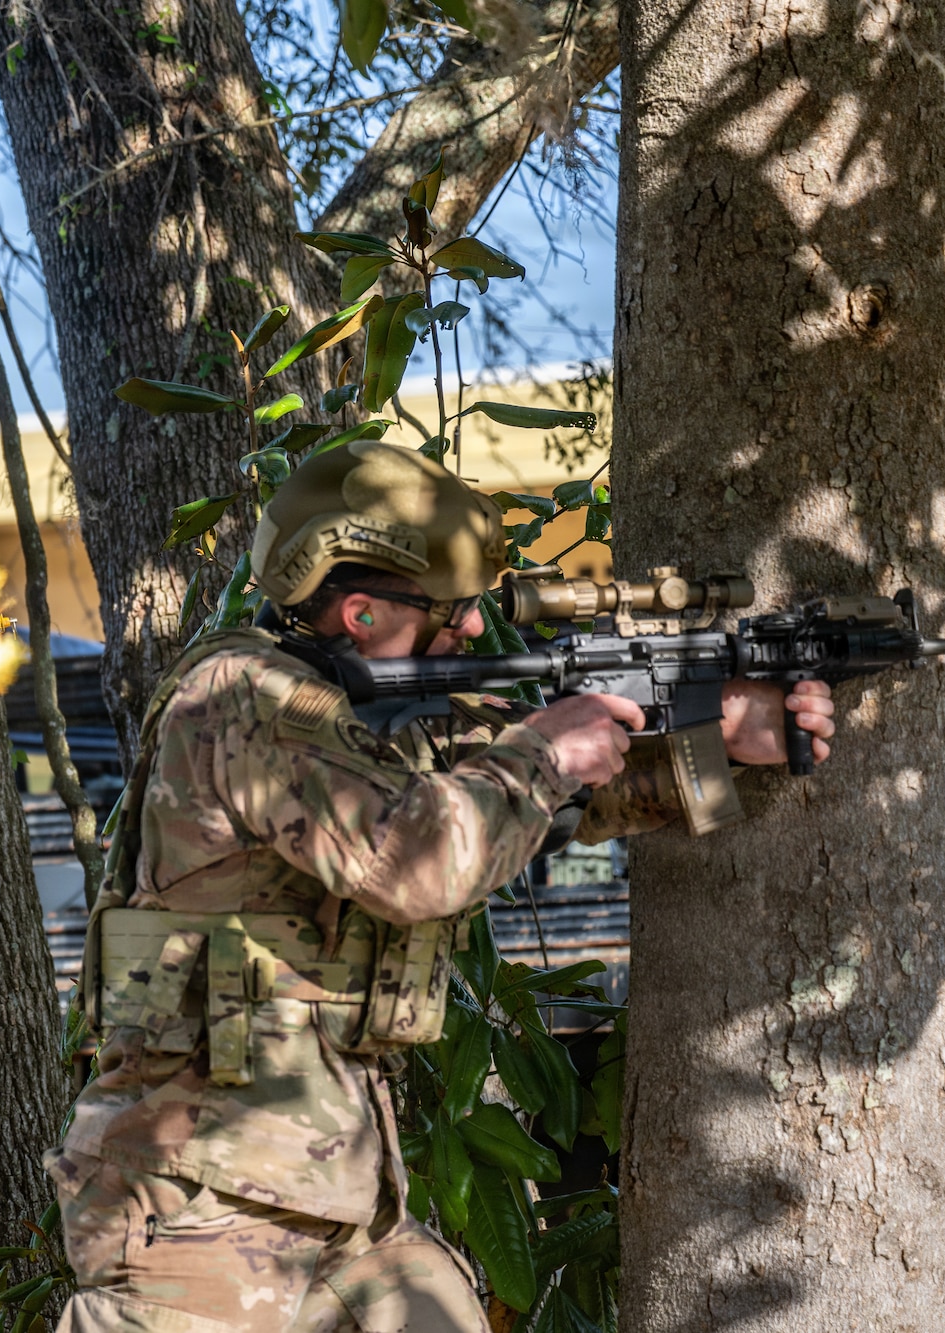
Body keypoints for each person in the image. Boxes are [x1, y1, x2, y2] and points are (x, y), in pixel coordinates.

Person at [52, 442, 837, 1332]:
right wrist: (547, 750)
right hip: (196, 1199)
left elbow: (536, 794)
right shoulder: (244, 700)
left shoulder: (356, 721)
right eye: (453, 609)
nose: (471, 629)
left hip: (328, 1190)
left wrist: (729, 734)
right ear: (359, 610)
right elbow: (418, 860)